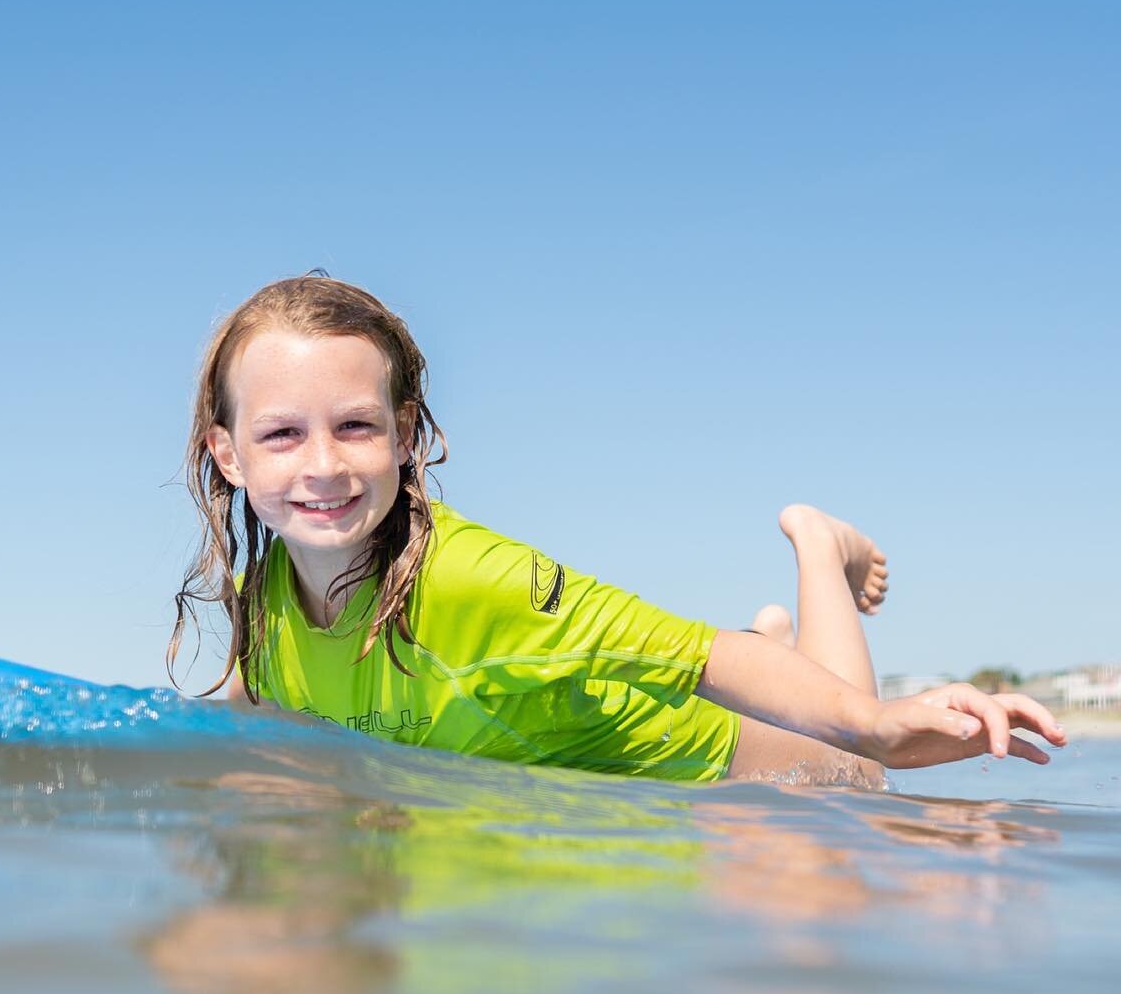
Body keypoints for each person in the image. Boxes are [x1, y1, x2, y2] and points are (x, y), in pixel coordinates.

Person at [170, 275, 1064, 786]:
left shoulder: (479, 580)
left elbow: (699, 653)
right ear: (229, 454)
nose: (322, 463)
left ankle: (817, 548)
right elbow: (258, 718)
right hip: (595, 742)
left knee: (855, 781)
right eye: (282, 433)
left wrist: (874, 726)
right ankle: (783, 636)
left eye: (356, 425)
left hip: (719, 766)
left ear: (405, 436)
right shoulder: (268, 609)